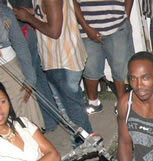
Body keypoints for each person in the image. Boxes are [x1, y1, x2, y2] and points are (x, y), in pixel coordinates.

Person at [13, 0, 93, 147]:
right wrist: (33, 12)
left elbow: (54, 31)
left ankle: (85, 145)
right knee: (69, 106)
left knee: (72, 108)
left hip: (62, 59)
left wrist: (28, 18)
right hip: (61, 56)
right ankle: (82, 142)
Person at [74, 0, 135, 114]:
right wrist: (86, 27)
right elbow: (73, 2)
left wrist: (125, 16)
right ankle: (93, 102)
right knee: (90, 67)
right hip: (87, 27)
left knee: (121, 67)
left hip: (117, 25)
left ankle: (121, 102)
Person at [0, 4, 44, 128]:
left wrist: (30, 78)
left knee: (24, 113)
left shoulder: (4, 11)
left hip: (10, 66)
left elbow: (20, 45)